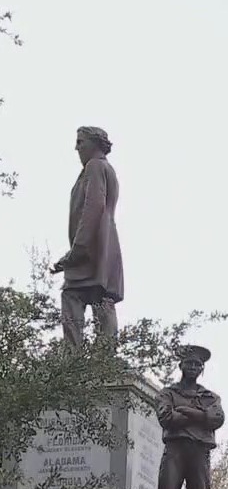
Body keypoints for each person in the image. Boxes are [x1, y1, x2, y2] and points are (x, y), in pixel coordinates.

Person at [149, 345, 225, 489]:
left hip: (200, 454)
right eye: (189, 363)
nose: (193, 367)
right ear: (180, 365)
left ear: (202, 368)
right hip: (175, 452)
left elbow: (217, 419)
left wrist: (186, 412)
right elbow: (166, 418)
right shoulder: (168, 393)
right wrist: (201, 416)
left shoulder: (211, 397)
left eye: (197, 364)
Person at [50, 125, 124, 348]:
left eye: (81, 142)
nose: (76, 148)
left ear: (94, 143)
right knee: (102, 297)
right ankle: (105, 358)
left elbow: (93, 208)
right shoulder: (106, 168)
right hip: (105, 243)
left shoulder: (94, 167)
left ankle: (73, 360)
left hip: (93, 244)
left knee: (72, 294)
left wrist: (76, 251)